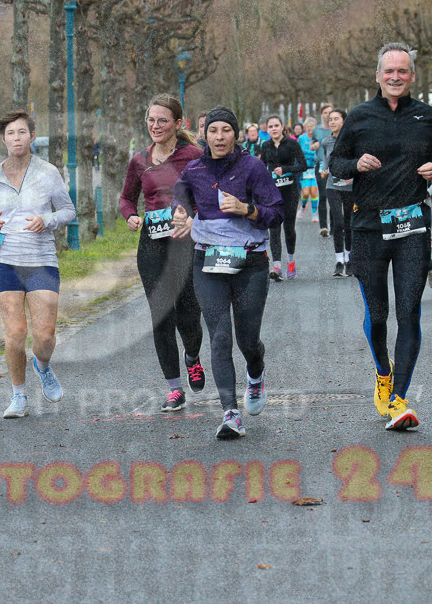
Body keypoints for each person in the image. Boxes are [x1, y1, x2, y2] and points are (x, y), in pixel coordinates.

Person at [329, 43, 432, 432]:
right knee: (377, 316)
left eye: (403, 71)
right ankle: (383, 371)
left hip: (412, 226)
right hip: (368, 230)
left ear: (411, 75)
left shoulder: (426, 115)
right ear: (377, 75)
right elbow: (336, 163)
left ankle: (398, 398)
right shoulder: (360, 116)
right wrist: (356, 164)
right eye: (389, 71)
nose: (396, 77)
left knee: (409, 311)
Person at [171, 107, 283, 439]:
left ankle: (256, 372)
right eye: (213, 131)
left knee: (247, 340)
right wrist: (183, 213)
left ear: (236, 134)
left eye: (226, 131)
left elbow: (276, 212)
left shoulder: (253, 167)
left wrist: (247, 209)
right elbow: (180, 195)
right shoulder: (194, 169)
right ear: (204, 134)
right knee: (220, 336)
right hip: (208, 263)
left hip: (250, 263)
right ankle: (230, 413)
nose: (219, 137)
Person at [0, 110, 75, 419]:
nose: (17, 138)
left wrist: (47, 219)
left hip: (42, 260)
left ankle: (42, 365)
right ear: (3, 139)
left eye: (22, 132)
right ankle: (18, 396)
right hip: (4, 262)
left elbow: (68, 211)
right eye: (11, 133)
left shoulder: (48, 172)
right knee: (15, 332)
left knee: (44, 336)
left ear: (31, 136)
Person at [120, 93, 206, 412]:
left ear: (177, 124)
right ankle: (173, 388)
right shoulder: (140, 160)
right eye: (151, 120)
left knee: (188, 314)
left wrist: (194, 216)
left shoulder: (195, 155)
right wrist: (130, 216)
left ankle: (193, 356)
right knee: (161, 317)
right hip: (152, 245)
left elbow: (208, 196)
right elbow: (127, 198)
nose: (155, 126)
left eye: (162, 121)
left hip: (185, 242)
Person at [259, 114, 306, 280]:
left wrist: (286, 169)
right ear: (268, 129)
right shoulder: (265, 145)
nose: (273, 129)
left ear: (282, 126)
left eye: (276, 125)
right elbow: (262, 166)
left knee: (288, 228)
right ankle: (277, 266)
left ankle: (291, 261)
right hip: (273, 193)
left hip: (290, 191)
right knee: (274, 229)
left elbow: (303, 165)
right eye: (270, 126)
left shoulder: (292, 143)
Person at [315, 108, 353, 277]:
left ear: (343, 121)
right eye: (330, 119)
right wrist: (324, 170)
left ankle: (350, 258)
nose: (332, 122)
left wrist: (353, 175)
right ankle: (339, 261)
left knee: (349, 223)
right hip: (332, 185)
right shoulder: (326, 142)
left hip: (349, 185)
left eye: (336, 119)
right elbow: (326, 159)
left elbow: (355, 160)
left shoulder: (352, 140)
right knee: (337, 223)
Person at [312, 103, 334, 236]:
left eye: (330, 112)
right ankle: (323, 226)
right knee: (323, 195)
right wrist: (315, 145)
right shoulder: (317, 130)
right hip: (320, 164)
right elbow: (312, 144)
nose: (328, 115)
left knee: (333, 196)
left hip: (334, 165)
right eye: (325, 113)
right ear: (322, 115)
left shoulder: (337, 128)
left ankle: (334, 224)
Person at [297, 117, 319, 224]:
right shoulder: (302, 138)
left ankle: (315, 213)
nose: (310, 129)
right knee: (305, 193)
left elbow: (318, 153)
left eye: (312, 126)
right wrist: (311, 152)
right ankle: (302, 207)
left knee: (314, 191)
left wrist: (310, 153)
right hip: (305, 168)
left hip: (315, 167)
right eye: (308, 126)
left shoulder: (318, 138)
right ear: (305, 127)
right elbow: (301, 152)